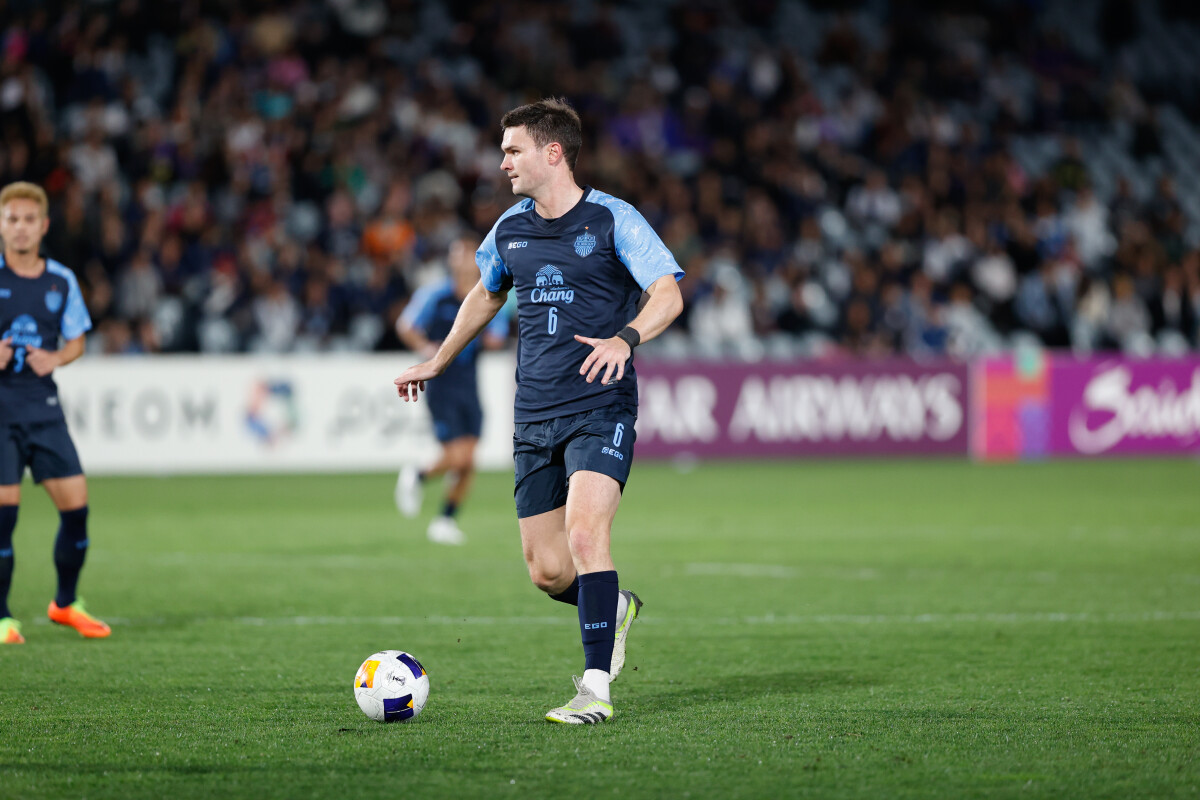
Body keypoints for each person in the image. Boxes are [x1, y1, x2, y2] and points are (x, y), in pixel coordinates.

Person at [394, 98, 684, 724]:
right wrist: (438, 360)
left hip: (600, 402)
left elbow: (667, 293)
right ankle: (615, 607)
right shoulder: (509, 228)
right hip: (533, 414)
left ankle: (595, 690)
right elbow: (485, 293)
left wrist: (626, 339)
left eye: (513, 150)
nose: (503, 163)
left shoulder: (613, 219)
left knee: (585, 535)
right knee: (548, 571)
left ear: (553, 153)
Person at [0, 182, 110, 644]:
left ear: (43, 226)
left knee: (77, 510)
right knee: (3, 518)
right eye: (12, 219)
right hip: (1, 414)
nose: (20, 228)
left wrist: (57, 357)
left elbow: (77, 340)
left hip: (44, 409)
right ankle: (2, 617)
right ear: (1, 224)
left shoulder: (61, 279)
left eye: (29, 219)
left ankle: (65, 604)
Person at [394, 232, 509, 545]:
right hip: (441, 384)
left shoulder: (488, 294)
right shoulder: (436, 295)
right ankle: (418, 474)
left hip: (469, 384)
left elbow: (497, 336)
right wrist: (425, 348)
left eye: (468, 254)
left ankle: (445, 520)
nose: (461, 261)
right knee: (458, 458)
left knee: (469, 461)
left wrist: (491, 337)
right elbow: (406, 325)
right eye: (457, 254)